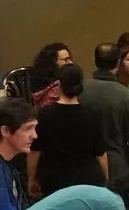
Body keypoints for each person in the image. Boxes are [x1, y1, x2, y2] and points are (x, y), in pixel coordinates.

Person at [23, 62, 104, 197]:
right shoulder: (92, 115)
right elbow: (101, 154)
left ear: (59, 84)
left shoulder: (44, 114)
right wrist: (105, 179)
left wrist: (31, 179)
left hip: (54, 180)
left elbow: (34, 151)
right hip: (87, 180)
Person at [80, 42, 129, 176]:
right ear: (118, 62)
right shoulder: (125, 94)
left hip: (87, 163)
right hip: (117, 163)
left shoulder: (82, 91)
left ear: (96, 61)